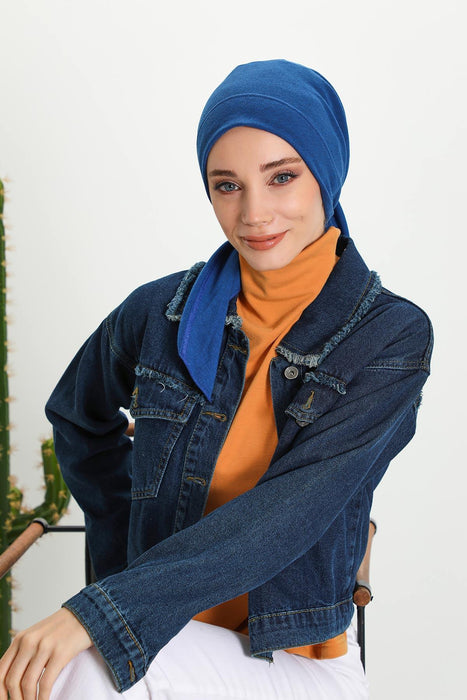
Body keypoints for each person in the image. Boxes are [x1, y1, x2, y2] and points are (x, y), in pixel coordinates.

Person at [0, 59, 432, 700]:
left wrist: (102, 612)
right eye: (227, 185)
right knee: (74, 667)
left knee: (79, 666)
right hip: (166, 636)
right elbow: (76, 414)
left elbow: (287, 514)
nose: (254, 213)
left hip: (294, 659)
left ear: (326, 173)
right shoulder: (159, 313)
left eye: (281, 177)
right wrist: (120, 549)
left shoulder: (389, 335)